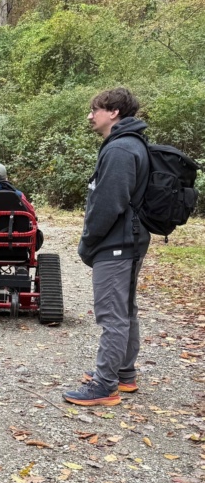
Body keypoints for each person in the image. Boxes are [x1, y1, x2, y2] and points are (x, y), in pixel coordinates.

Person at [63, 88, 150, 407]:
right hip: (129, 240)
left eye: (95, 110)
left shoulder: (121, 149)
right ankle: (124, 373)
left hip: (117, 243)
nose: (90, 116)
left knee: (112, 314)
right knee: (124, 309)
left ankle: (104, 386)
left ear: (113, 112)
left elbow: (108, 204)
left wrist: (88, 241)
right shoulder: (130, 143)